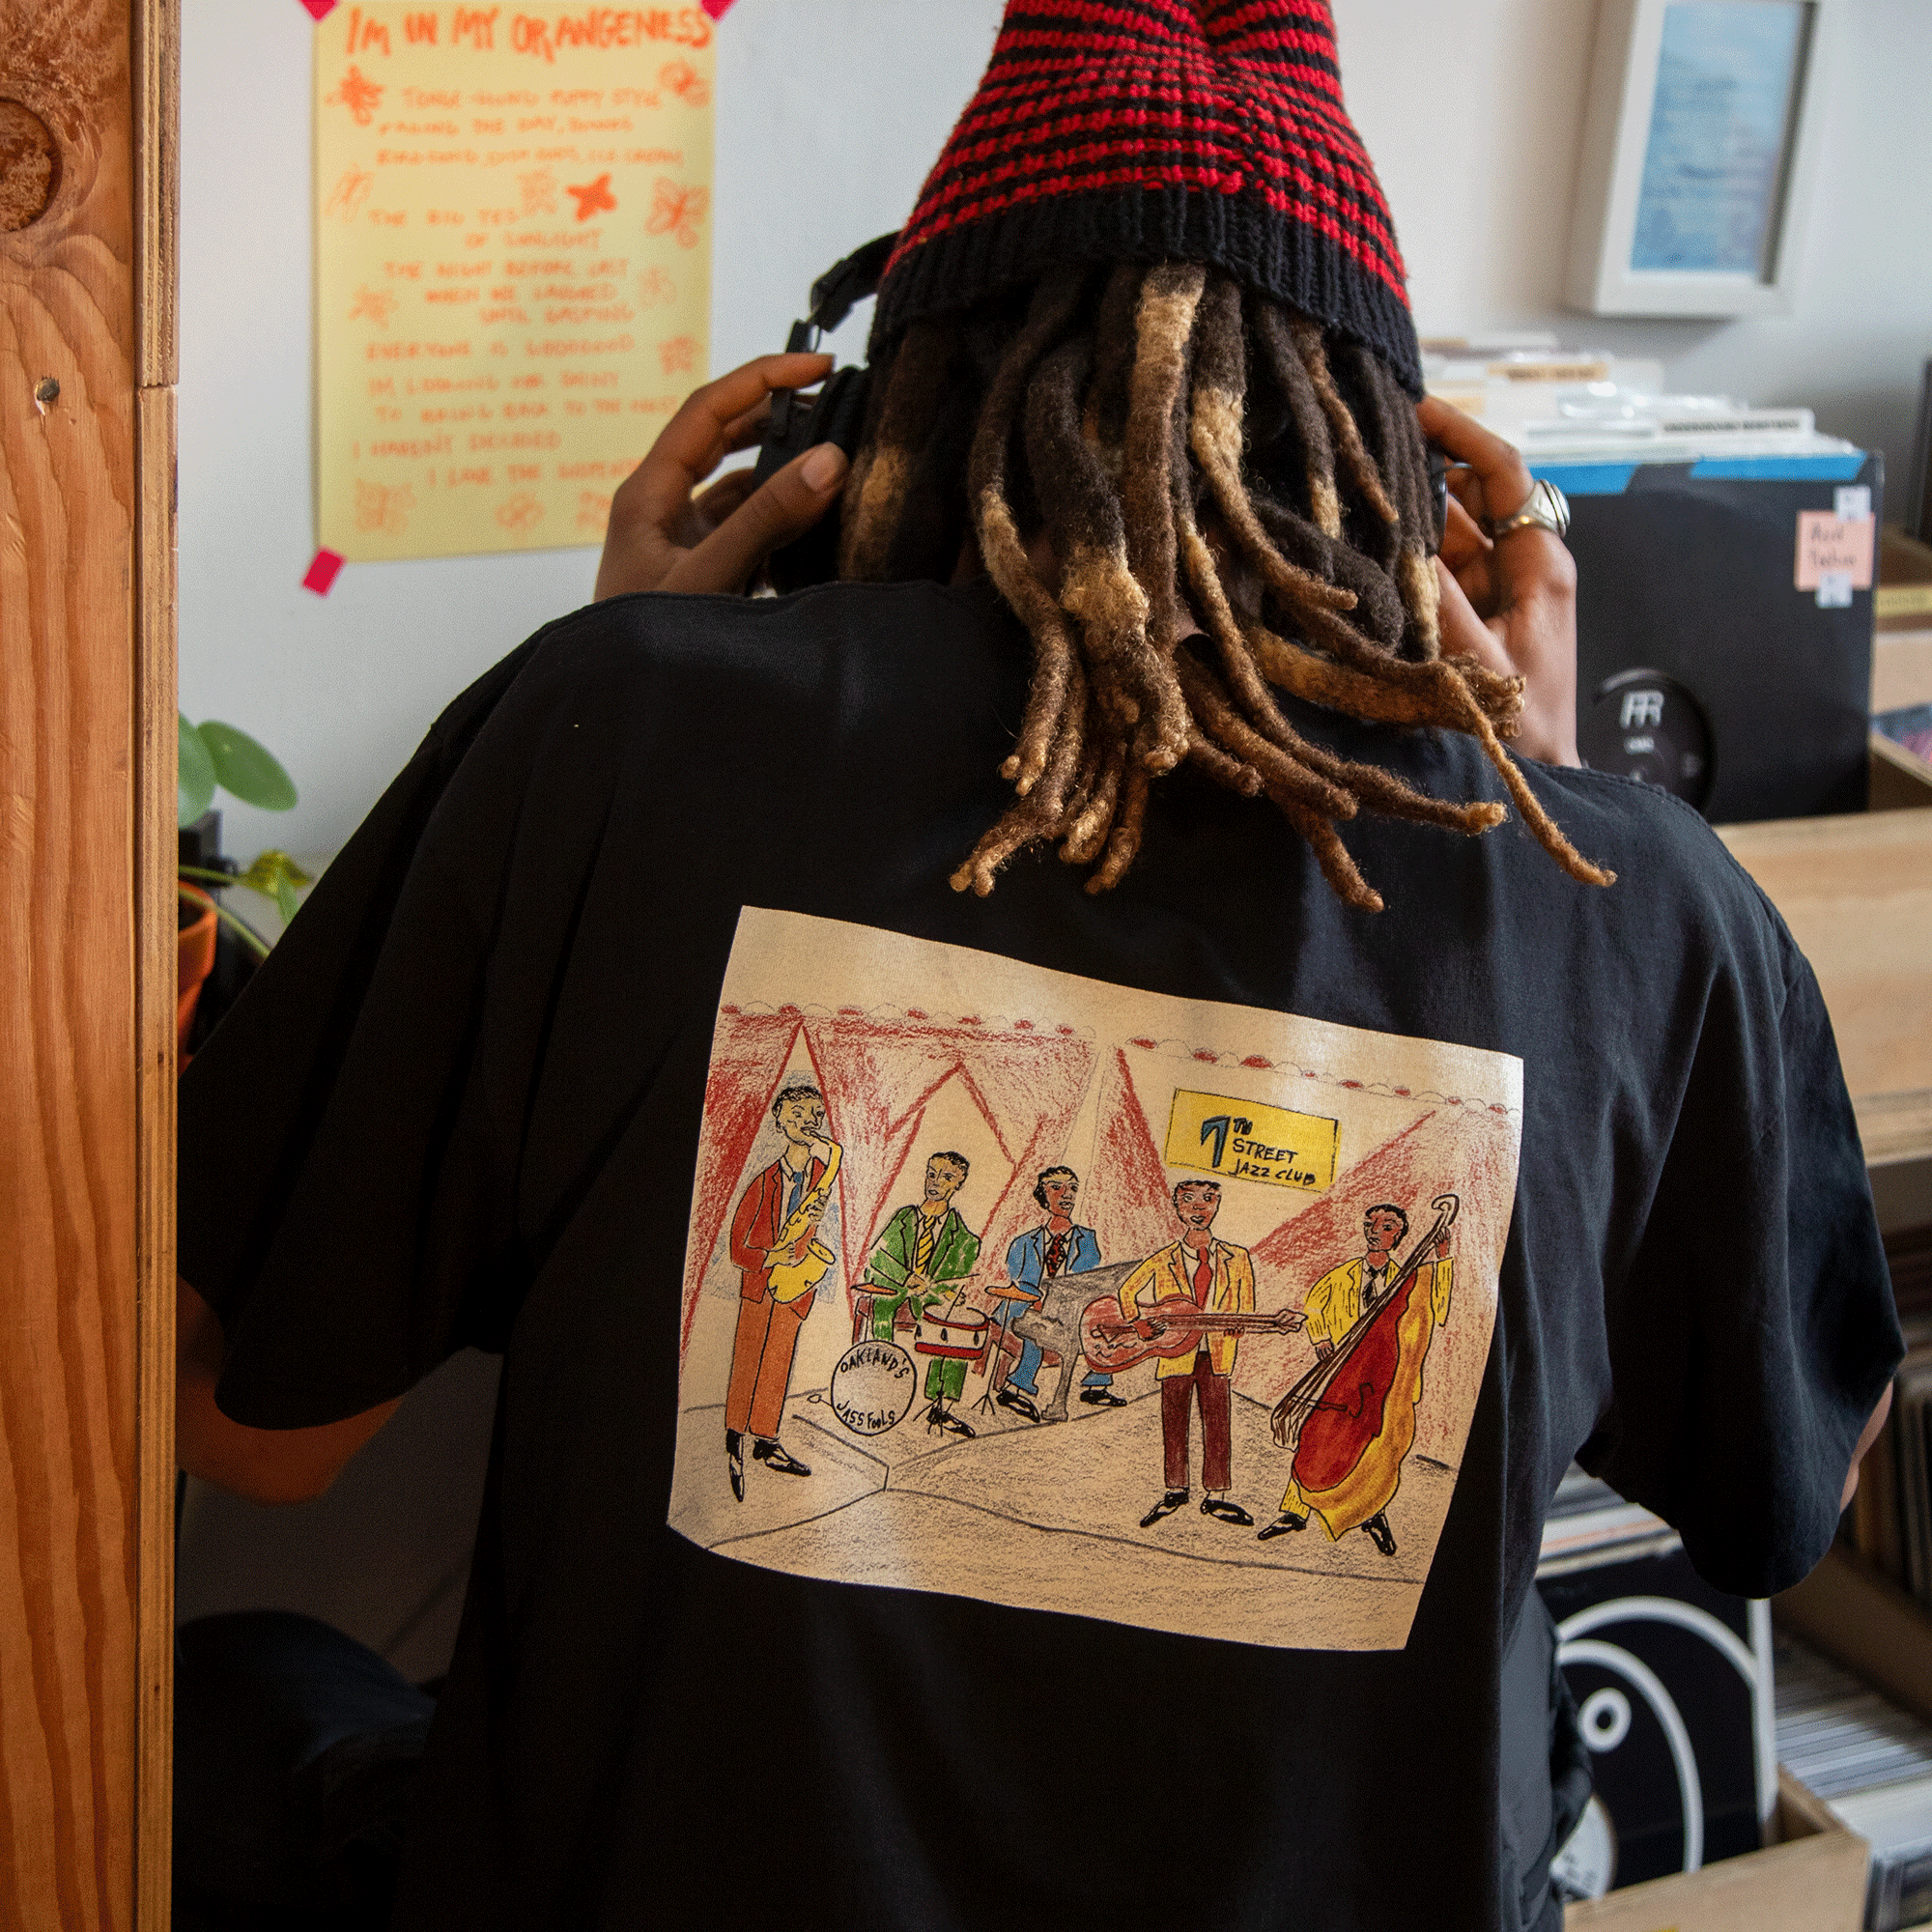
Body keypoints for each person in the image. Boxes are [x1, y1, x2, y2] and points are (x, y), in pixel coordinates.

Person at [174, 4, 1899, 1927]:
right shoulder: (1636, 903)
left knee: (250, 1692)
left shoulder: (614, 737)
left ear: (878, 423)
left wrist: (601, 696)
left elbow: (250, 1428)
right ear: (1398, 484)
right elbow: (1793, 1492)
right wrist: (1544, 824)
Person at [1260, 1202, 1454, 1554]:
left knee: (1377, 1447)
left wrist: (1442, 1258)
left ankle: (1372, 1514)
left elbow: (1437, 1308)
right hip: (1340, 1374)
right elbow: (1314, 1304)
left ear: (1399, 1235)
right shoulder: (1344, 1275)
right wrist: (1321, 1339)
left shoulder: (1406, 1282)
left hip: (1382, 1380)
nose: (1376, 1232)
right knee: (1318, 1437)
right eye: (1371, 1224)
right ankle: (1294, 1511)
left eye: (1387, 1226)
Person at [1119, 1179, 1261, 1528]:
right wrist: (1138, 1323)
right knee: (1174, 1420)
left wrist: (1237, 1325)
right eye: (1188, 1200)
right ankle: (1175, 1489)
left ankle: (1217, 1495)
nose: (1198, 1207)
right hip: (1173, 1352)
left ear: (1217, 1205)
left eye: (1207, 1199)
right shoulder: (1164, 1258)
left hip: (1216, 1352)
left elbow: (1246, 1306)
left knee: (1218, 1421)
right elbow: (1127, 1291)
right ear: (1177, 1208)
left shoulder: (1238, 1257)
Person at [723, 1083, 837, 1497]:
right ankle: (734, 1439)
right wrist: (772, 1255)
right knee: (748, 1361)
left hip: (795, 1285)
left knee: (777, 1364)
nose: (807, 1123)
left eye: (814, 1115)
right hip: (761, 1283)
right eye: (796, 1115)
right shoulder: (764, 1180)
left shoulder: (823, 1174)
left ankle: (766, 1440)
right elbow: (737, 1249)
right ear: (779, 1123)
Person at [860, 1151, 982, 1436]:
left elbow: (952, 1281)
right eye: (931, 1174)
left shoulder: (964, 1238)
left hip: (928, 1297)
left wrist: (947, 1293)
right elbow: (877, 1256)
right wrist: (907, 1277)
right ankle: (880, 1385)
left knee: (955, 1324)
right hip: (894, 1287)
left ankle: (942, 1405)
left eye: (946, 1177)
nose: (935, 1182)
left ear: (958, 1185)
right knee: (882, 1309)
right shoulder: (904, 1217)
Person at [997, 1163, 1113, 1420]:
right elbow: (1018, 1281)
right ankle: (1017, 1389)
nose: (1066, 1194)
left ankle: (1096, 1385)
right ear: (1043, 1194)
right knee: (1037, 1328)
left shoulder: (1087, 1239)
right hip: (1032, 1308)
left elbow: (1088, 1279)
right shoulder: (1024, 1242)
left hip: (1072, 1310)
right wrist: (1038, 1301)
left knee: (1104, 1321)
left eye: (1072, 1188)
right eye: (1057, 1187)